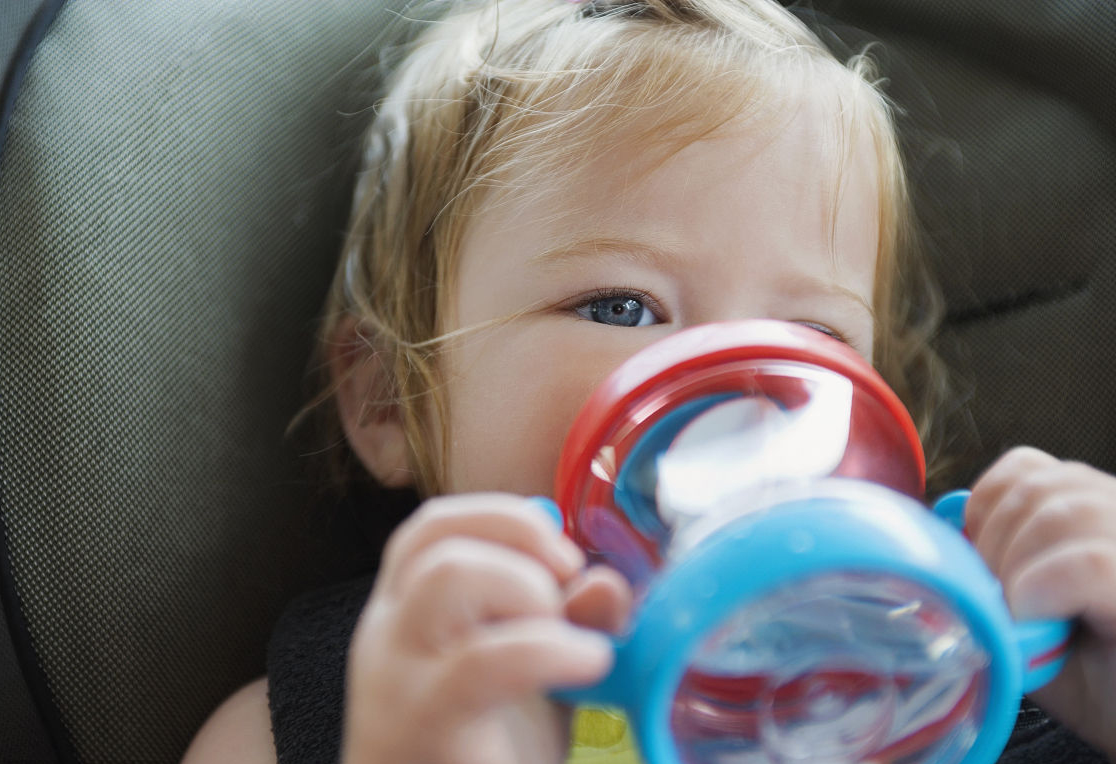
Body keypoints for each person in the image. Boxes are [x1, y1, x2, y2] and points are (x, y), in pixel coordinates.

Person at [182, 1, 1116, 762]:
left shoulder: (949, 658)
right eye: (622, 308)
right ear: (390, 399)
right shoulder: (332, 714)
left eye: (808, 331)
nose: (742, 389)